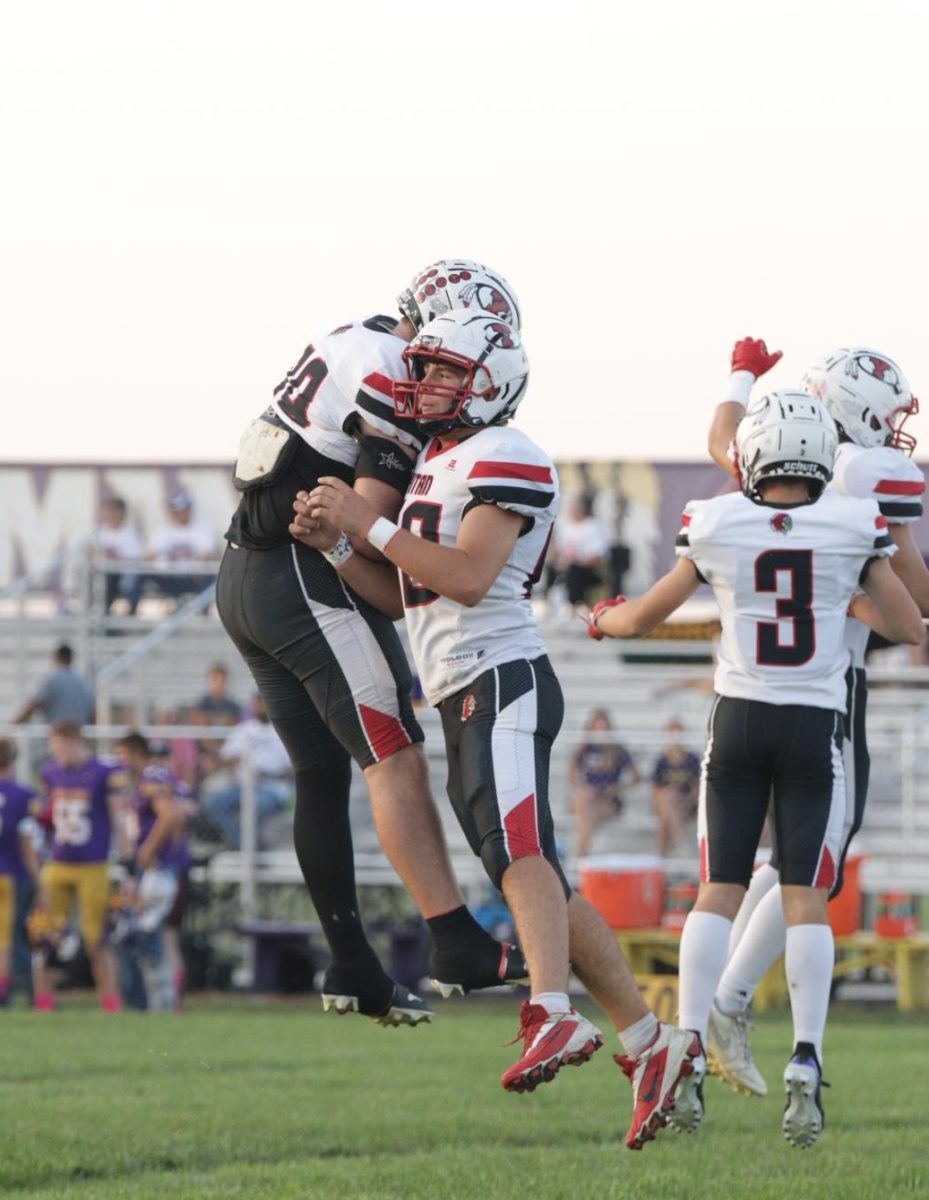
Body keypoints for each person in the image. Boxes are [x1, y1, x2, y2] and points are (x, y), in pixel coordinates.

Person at [295, 309, 698, 1150]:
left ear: (491, 377)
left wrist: (367, 524)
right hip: (457, 684)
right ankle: (650, 1045)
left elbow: (470, 578)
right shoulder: (438, 461)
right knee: (534, 871)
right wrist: (340, 548)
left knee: (518, 855)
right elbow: (407, 596)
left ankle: (551, 1011)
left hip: (501, 675)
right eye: (425, 366)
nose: (426, 381)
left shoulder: (505, 451)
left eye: (444, 369)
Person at [587, 390, 923, 1147]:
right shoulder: (852, 523)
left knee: (719, 888)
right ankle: (805, 1057)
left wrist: (599, 619)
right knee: (804, 893)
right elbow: (907, 625)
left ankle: (686, 1048)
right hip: (814, 727)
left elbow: (643, 617)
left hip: (737, 723)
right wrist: (841, 597)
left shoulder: (715, 520)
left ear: (757, 457)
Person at [215, 260, 529, 1027]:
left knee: (321, 772)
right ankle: (453, 937)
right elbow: (367, 517)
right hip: (301, 575)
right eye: (447, 350)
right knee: (391, 751)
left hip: (242, 576)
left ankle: (352, 964)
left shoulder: (353, 337)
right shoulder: (395, 372)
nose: (436, 372)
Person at [703, 339, 929, 1099]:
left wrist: (740, 374)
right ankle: (726, 1000)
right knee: (815, 864)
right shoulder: (871, 472)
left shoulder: (780, 463)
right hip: (833, 688)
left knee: (786, 862)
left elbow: (718, 444)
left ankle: (722, 997)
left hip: (753, 689)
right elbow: (915, 597)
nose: (896, 432)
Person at [32, 722, 126, 1013]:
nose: (55, 753)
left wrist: (125, 860)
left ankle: (110, 1003)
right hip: (57, 861)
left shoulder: (101, 772)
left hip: (93, 865)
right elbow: (46, 816)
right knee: (48, 938)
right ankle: (43, 1002)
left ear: (75, 742)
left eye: (60, 745)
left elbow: (118, 815)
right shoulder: (50, 772)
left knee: (96, 941)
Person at [112, 732, 182, 1012]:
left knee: (147, 933)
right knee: (135, 932)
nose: (120, 761)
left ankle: (160, 1004)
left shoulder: (152, 778)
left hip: (156, 868)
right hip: (147, 868)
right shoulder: (140, 781)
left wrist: (148, 850)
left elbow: (169, 815)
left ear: (137, 753)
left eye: (123, 754)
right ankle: (145, 1003)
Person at [202, 695, 294, 849]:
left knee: (255, 807)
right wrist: (233, 761)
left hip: (273, 788)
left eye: (262, 703)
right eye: (257, 703)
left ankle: (245, 849)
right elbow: (223, 759)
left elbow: (295, 770)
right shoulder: (243, 729)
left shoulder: (283, 731)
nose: (259, 707)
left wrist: (267, 773)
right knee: (213, 804)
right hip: (242, 785)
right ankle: (244, 846)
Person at [0, 739, 43, 1005]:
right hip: (11, 873)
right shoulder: (23, 794)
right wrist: (41, 883)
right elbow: (28, 844)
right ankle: (9, 991)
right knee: (7, 938)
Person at [568, 709, 640, 858]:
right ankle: (582, 856)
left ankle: (580, 857)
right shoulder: (585, 748)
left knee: (587, 812)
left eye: (604, 727)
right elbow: (571, 776)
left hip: (607, 800)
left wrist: (617, 788)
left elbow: (636, 777)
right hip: (588, 798)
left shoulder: (617, 749)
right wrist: (583, 787)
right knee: (585, 801)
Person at [145, 490, 219, 602]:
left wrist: (197, 567)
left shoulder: (201, 529)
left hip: (193, 577)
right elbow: (149, 555)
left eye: (183, 510)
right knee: (141, 576)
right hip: (170, 577)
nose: (180, 514)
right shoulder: (164, 530)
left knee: (206, 578)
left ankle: (201, 612)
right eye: (176, 510)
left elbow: (208, 554)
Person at [650, 718, 702, 859]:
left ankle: (663, 860)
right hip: (668, 804)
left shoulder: (692, 759)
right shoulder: (662, 760)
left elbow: (698, 787)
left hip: (686, 804)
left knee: (666, 818)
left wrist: (685, 799)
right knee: (668, 801)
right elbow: (655, 790)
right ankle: (682, 847)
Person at [11, 644, 95, 727]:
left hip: (56, 736)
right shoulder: (85, 682)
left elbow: (32, 705)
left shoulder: (51, 679)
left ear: (56, 657)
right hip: (78, 736)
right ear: (71, 659)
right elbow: (92, 715)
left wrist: (11, 727)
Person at [94, 495, 144, 615]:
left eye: (114, 511)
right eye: (108, 511)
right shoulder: (98, 533)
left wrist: (116, 557)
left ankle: (127, 612)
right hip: (102, 575)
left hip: (122, 575)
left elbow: (136, 559)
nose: (110, 515)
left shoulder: (130, 533)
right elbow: (91, 554)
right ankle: (100, 615)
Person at [191, 663, 242, 728]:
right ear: (210, 680)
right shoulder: (201, 703)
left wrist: (210, 718)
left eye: (222, 680)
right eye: (216, 680)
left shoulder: (233, 705)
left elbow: (234, 724)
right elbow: (199, 724)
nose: (219, 684)